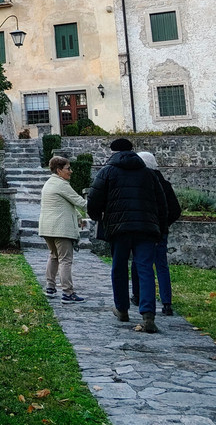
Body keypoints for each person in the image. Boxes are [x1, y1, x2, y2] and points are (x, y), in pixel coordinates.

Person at [87, 138, 168, 333]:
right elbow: (162, 204)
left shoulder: (107, 172)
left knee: (119, 267)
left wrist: (98, 217)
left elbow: (94, 199)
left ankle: (122, 309)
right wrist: (160, 228)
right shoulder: (149, 174)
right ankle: (148, 315)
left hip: (119, 228)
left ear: (113, 152)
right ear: (132, 151)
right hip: (146, 228)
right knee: (145, 269)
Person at [130, 151, 181, 316]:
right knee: (161, 266)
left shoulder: (140, 183)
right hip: (161, 231)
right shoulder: (165, 184)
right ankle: (167, 303)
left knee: (139, 262)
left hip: (144, 230)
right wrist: (164, 225)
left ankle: (137, 295)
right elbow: (175, 210)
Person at [38, 155, 88, 303]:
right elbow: (79, 201)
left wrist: (78, 217)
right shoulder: (62, 184)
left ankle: (50, 287)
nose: (71, 171)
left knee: (53, 256)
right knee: (65, 260)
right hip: (61, 228)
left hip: (47, 228)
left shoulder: (49, 183)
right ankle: (68, 292)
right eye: (68, 168)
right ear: (59, 170)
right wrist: (101, 210)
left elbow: (63, 204)